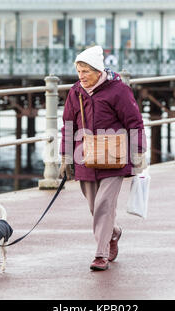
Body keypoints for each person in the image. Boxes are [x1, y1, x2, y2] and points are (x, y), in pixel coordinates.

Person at [59, 45, 147, 271]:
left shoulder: (118, 91)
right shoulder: (75, 92)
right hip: (84, 156)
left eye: (86, 72)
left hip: (114, 157)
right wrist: (65, 157)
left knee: (104, 205)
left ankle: (101, 255)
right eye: (79, 72)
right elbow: (68, 126)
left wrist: (138, 151)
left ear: (98, 71)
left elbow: (134, 122)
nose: (81, 77)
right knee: (94, 208)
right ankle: (114, 233)